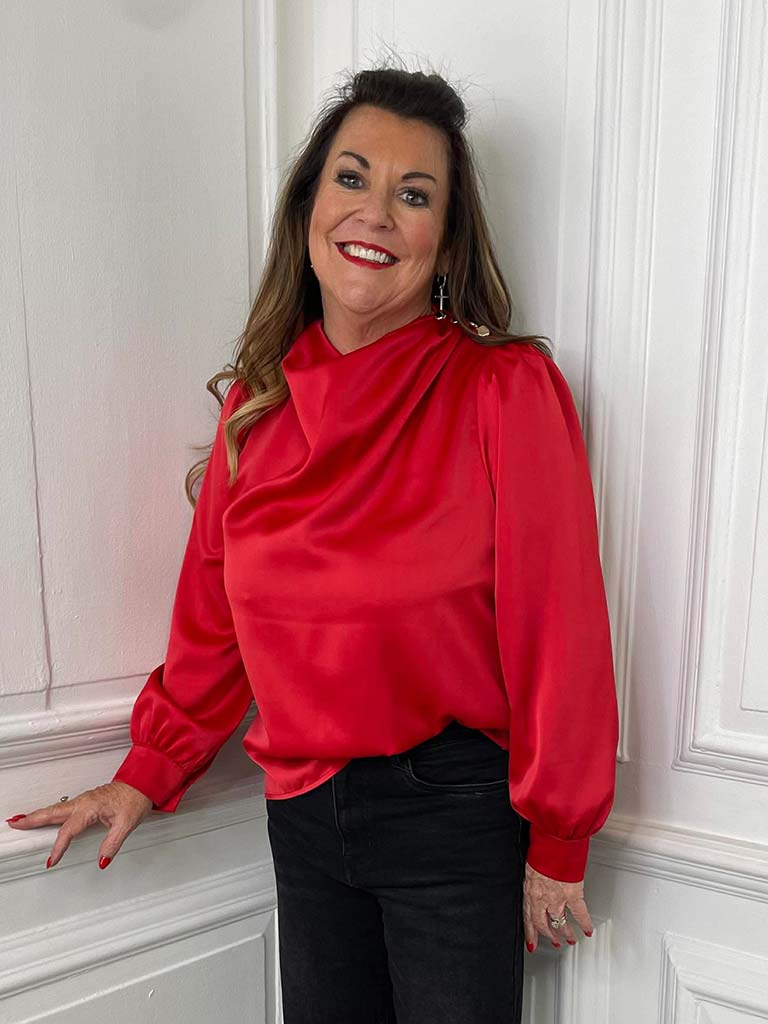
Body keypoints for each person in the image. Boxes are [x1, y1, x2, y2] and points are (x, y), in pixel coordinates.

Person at [6, 62, 619, 1023]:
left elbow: (561, 630)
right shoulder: (257, 412)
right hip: (301, 815)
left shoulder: (503, 393)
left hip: (450, 815)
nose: (375, 212)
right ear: (308, 209)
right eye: (352, 178)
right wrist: (144, 773)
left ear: (447, 241)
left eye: (414, 195)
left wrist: (560, 840)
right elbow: (212, 628)